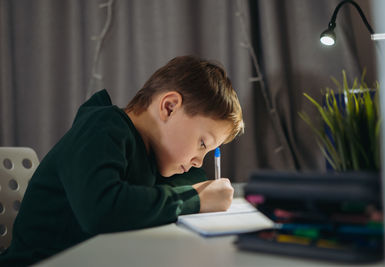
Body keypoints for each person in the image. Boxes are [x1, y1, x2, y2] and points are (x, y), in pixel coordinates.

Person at [0, 55, 244, 266]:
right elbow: (103, 209)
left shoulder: (154, 156)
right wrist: (195, 199)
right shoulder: (101, 129)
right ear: (169, 107)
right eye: (202, 144)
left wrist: (193, 193)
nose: (199, 161)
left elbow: (192, 181)